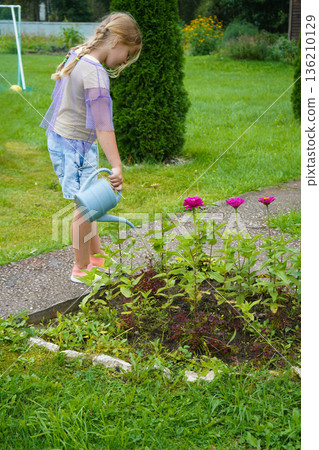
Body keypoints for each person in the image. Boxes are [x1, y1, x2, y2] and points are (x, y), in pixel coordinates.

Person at [41, 12, 142, 283]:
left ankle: (96, 256)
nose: (125, 61)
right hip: (76, 146)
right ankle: (81, 268)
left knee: (89, 203)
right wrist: (117, 165)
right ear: (117, 40)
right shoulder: (96, 73)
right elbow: (103, 126)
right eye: (127, 54)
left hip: (66, 140)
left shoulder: (77, 54)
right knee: (85, 209)